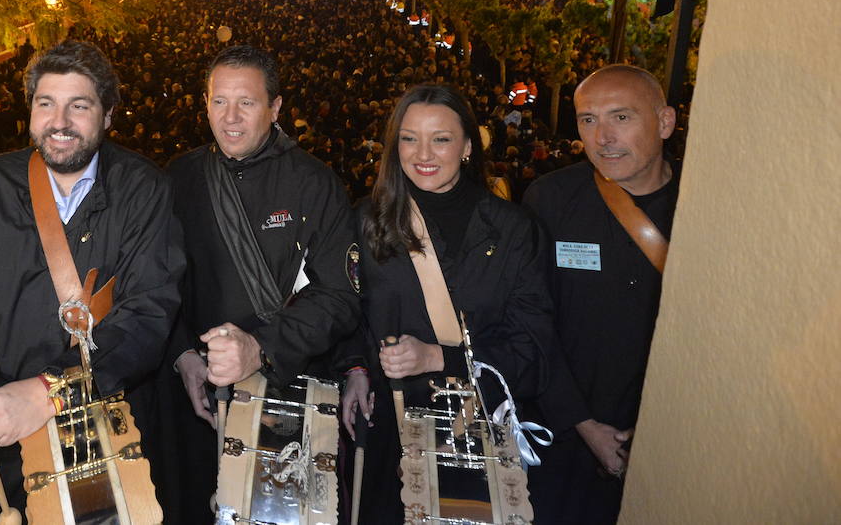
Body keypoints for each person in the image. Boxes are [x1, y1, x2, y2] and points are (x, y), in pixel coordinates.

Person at [0, 40, 184, 520]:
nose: (60, 122)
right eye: (46, 104)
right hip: (6, 441)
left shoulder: (144, 188)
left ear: (108, 115)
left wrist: (47, 391)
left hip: (112, 430)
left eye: (79, 106)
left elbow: (147, 316)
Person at [155, 44, 361, 525]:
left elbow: (340, 296)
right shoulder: (178, 178)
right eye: (218, 101)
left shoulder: (316, 183)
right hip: (198, 398)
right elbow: (156, 285)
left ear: (276, 107)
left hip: (286, 396)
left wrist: (260, 347)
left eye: (246, 102)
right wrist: (183, 354)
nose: (230, 117)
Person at [341, 83, 555, 524]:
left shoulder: (515, 230)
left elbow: (534, 354)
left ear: (468, 147)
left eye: (441, 139)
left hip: (480, 437)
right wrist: (355, 368)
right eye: (409, 137)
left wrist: (438, 357)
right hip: (391, 434)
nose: (424, 153)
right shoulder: (368, 220)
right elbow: (348, 315)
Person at [524, 65, 679, 524]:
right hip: (561, 433)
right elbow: (531, 321)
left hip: (666, 436)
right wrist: (584, 423)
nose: (603, 137)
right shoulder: (549, 199)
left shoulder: (704, 203)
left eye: (621, 118)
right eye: (588, 120)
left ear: (665, 122)